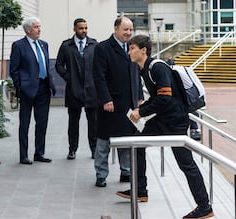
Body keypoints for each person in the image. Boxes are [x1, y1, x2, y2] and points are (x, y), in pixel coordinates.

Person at [116, 34, 214, 219]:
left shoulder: (157, 67)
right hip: (163, 120)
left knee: (186, 164)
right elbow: (158, 97)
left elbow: (165, 98)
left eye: (132, 48)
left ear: (143, 50)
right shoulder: (145, 69)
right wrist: (141, 109)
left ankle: (204, 206)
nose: (129, 52)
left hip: (176, 123)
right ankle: (140, 190)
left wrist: (141, 113)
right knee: (137, 144)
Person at [93, 16, 143, 187]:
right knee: (103, 141)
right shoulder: (103, 48)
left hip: (129, 104)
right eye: (125, 30)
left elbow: (136, 73)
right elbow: (99, 77)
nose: (128, 33)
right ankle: (101, 174)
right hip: (110, 104)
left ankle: (126, 171)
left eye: (130, 30)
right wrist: (106, 99)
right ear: (116, 29)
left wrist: (139, 96)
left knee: (127, 139)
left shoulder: (132, 48)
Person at [10, 16, 56, 165]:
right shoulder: (19, 45)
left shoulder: (44, 44)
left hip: (43, 88)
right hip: (27, 90)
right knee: (25, 123)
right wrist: (20, 86)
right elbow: (14, 69)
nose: (39, 29)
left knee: (42, 123)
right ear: (28, 30)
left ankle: (39, 153)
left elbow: (45, 66)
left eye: (39, 26)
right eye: (36, 27)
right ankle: (23, 155)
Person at [55, 18, 98, 160]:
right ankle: (72, 149)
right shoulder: (66, 46)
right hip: (73, 90)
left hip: (91, 91)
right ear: (74, 29)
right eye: (81, 28)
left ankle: (94, 149)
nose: (84, 31)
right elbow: (59, 65)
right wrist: (68, 77)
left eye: (86, 28)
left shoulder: (94, 44)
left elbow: (100, 65)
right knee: (73, 122)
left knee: (93, 123)